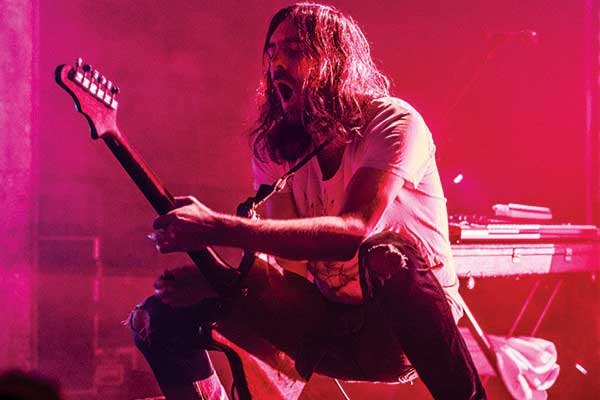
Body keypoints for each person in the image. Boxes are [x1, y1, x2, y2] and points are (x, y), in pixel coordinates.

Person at [130, 3, 487, 399]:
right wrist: (219, 282)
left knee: (385, 254)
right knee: (156, 318)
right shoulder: (276, 148)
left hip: (401, 338)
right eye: (272, 52)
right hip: (331, 328)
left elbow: (352, 231)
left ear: (336, 62)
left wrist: (215, 227)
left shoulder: (392, 121)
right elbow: (290, 274)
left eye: (295, 50)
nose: (277, 64)